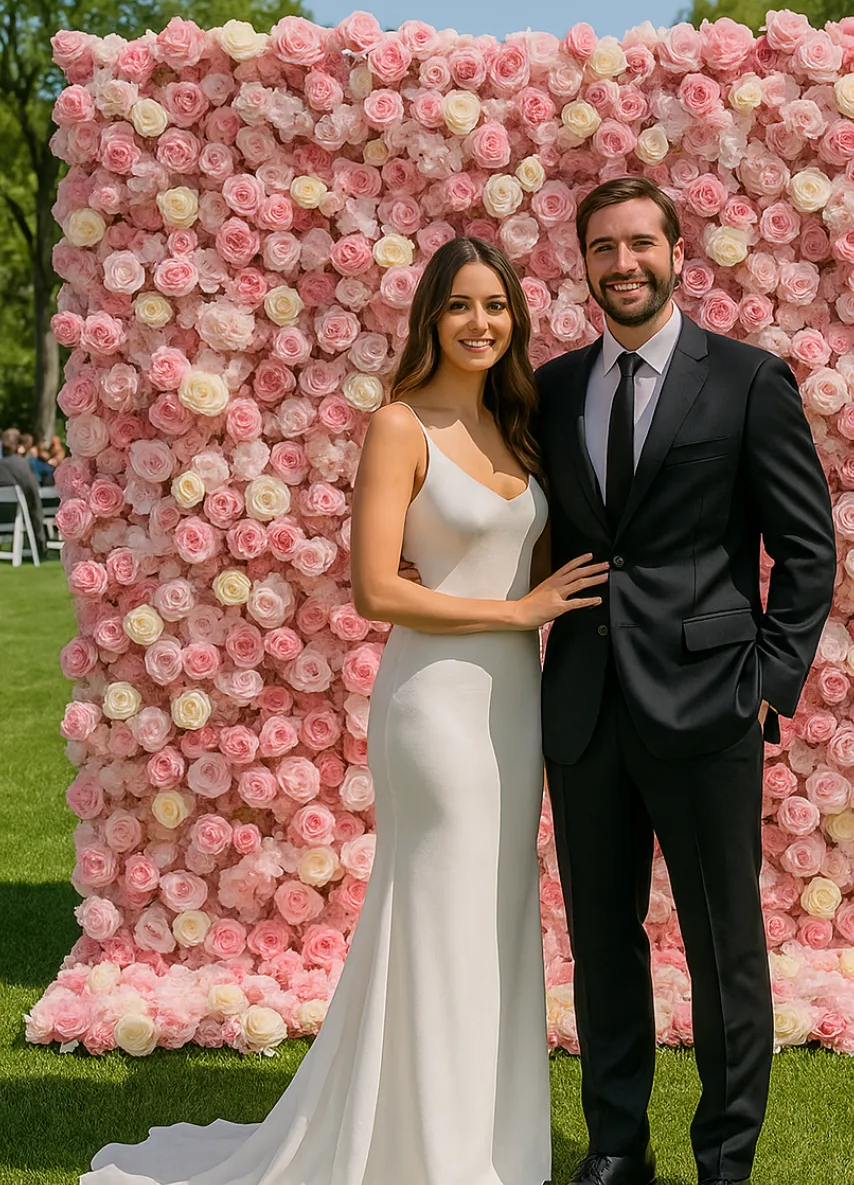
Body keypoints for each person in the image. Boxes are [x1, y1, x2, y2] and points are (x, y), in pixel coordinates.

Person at [82, 237, 608, 1185]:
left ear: (516, 320)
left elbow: (522, 556)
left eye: (496, 306)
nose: (480, 323)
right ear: (431, 319)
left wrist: (544, 600)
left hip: (514, 707)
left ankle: (494, 1142)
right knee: (439, 911)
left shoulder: (517, 427)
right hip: (436, 704)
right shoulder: (401, 426)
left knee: (495, 917)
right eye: (461, 306)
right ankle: (433, 1154)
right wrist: (515, 613)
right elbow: (374, 589)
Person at [535, 177, 837, 1185]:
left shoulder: (749, 380)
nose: (622, 264)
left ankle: (724, 1157)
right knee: (603, 945)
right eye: (602, 248)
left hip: (710, 704)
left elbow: (806, 550)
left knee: (724, 947)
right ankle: (619, 1145)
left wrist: (769, 682)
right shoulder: (554, 388)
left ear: (676, 253)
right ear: (581, 263)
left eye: (639, 245)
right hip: (583, 707)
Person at [0, 426, 48, 559]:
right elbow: (33, 494)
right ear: (17, 446)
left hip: (3, 516)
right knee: (33, 504)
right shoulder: (21, 465)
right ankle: (39, 547)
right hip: (16, 517)